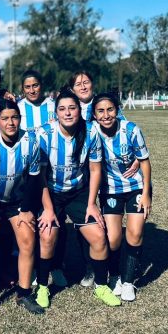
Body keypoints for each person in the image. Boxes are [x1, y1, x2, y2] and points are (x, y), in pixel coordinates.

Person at [38, 89, 120, 308]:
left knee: (99, 236)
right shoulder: (44, 134)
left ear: (79, 111)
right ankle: (43, 286)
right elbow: (41, 178)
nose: (68, 113)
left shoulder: (91, 131)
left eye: (72, 108)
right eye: (62, 109)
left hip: (79, 192)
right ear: (55, 114)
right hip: (51, 193)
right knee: (47, 237)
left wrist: (92, 204)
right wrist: (47, 208)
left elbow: (95, 170)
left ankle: (101, 286)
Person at [0, 100, 45, 315]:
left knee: (27, 240)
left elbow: (34, 180)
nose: (10, 122)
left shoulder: (31, 142)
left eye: (14, 117)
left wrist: (26, 209)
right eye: (5, 118)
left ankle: (24, 293)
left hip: (17, 202)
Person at [68, 69, 134, 287]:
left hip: (107, 173)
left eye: (86, 82)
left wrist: (136, 160)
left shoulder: (104, 105)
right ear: (72, 89)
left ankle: (108, 267)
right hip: (82, 173)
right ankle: (89, 266)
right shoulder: (70, 108)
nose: (83, 86)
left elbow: (126, 133)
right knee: (84, 220)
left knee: (104, 222)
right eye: (78, 84)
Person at [92, 93, 152, 302]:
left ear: (117, 110)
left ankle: (128, 282)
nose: (106, 115)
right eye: (100, 111)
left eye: (110, 109)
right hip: (110, 189)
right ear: (94, 115)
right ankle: (115, 276)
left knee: (134, 234)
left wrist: (146, 195)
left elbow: (145, 162)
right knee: (113, 238)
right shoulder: (92, 132)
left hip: (136, 187)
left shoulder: (131, 130)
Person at [18, 69, 56, 136]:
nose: (32, 91)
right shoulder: (18, 107)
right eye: (27, 87)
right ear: (23, 89)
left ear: (41, 85)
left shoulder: (54, 105)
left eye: (35, 85)